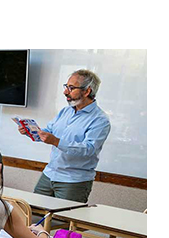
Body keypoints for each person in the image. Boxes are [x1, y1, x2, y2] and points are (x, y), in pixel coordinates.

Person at [18, 69, 111, 203]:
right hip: (49, 174)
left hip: (73, 181)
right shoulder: (65, 111)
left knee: (63, 222)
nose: (65, 92)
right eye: (66, 86)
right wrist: (30, 131)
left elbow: (89, 149)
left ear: (87, 91)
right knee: (33, 214)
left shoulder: (100, 120)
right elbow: (48, 131)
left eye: (71, 88)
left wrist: (56, 141)